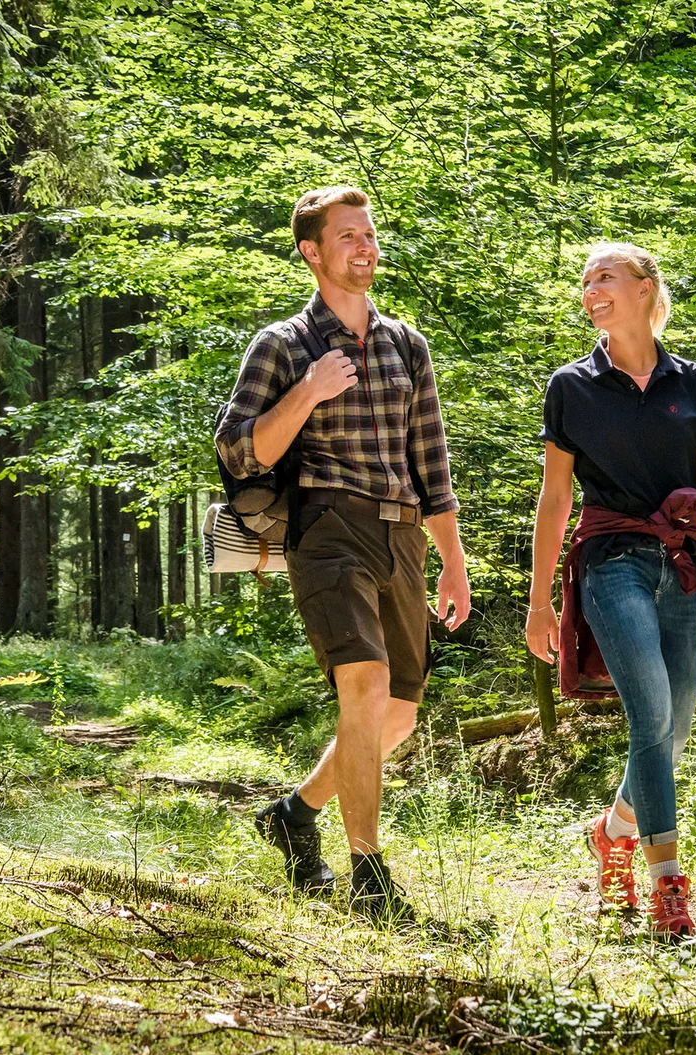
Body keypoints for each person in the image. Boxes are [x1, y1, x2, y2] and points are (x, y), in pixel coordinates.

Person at [215, 186, 471, 919]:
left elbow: (432, 461)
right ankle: (369, 875)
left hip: (402, 535)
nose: (365, 245)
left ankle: (294, 814)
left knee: (396, 716)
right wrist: (307, 393)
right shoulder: (283, 345)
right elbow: (239, 453)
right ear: (312, 252)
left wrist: (452, 559)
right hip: (326, 531)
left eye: (369, 233)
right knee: (362, 688)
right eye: (348, 235)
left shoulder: (406, 345)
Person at [524, 242, 696, 939]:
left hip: (685, 567)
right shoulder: (570, 386)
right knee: (651, 719)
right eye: (585, 282)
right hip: (610, 561)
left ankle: (611, 832)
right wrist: (539, 600)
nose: (590, 290)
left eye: (603, 277)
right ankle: (669, 885)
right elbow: (554, 499)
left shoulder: (694, 385)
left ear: (644, 288)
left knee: (674, 734)